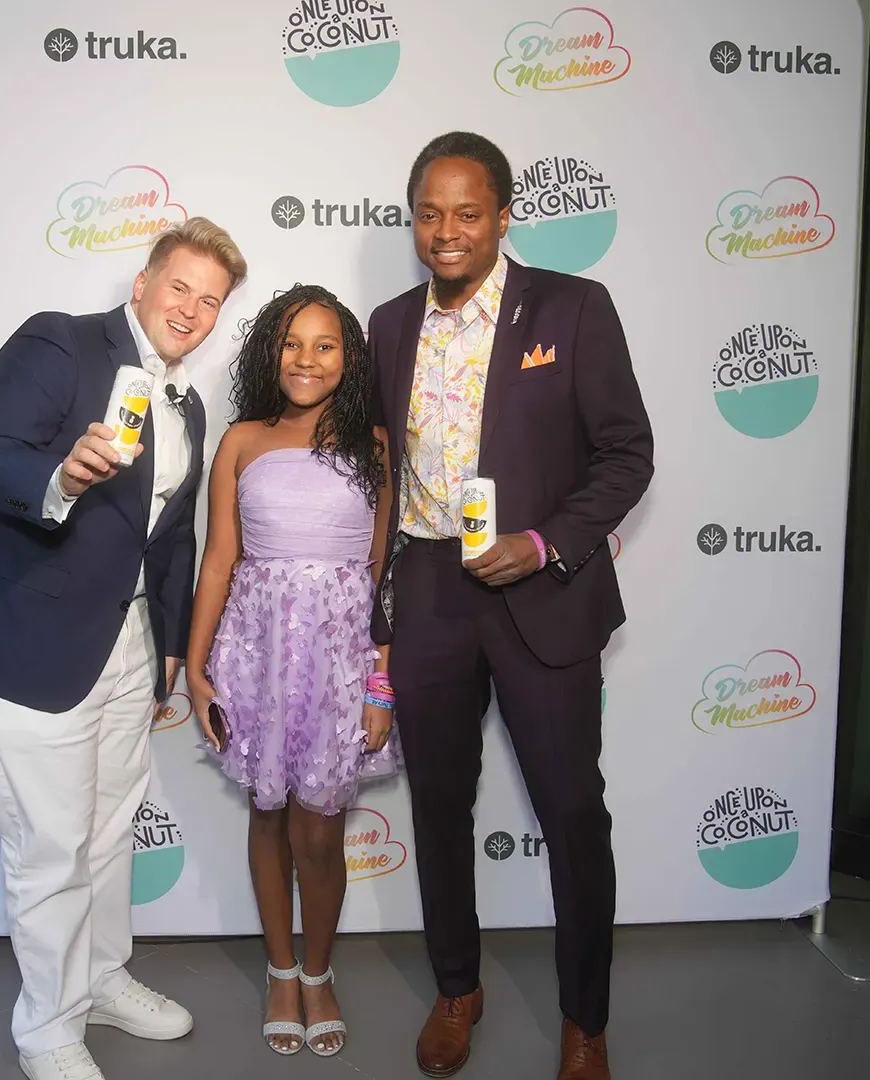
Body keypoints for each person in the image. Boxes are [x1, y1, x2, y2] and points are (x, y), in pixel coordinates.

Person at [0, 218, 248, 1080]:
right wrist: (60, 475)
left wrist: (169, 643)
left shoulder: (188, 403)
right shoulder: (58, 343)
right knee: (51, 844)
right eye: (180, 287)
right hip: (31, 639)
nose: (192, 309)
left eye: (209, 300)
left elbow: (169, 538)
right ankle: (48, 1030)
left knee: (106, 833)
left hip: (127, 645)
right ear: (141, 284)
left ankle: (100, 978)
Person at [367, 132, 654, 1080]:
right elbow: (375, 469)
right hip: (432, 591)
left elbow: (626, 453)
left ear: (503, 215)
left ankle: (586, 1023)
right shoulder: (389, 322)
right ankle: (458, 988)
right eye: (430, 214)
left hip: (541, 592)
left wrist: (544, 543)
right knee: (441, 806)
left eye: (468, 212)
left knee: (573, 811)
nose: (446, 232)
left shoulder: (573, 308)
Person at [184, 285, 399, 1058]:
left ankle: (317, 971)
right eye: (291, 344)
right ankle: (279, 971)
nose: (306, 360)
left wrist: (381, 686)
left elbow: (384, 576)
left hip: (341, 662)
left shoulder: (373, 445)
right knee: (267, 817)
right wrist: (198, 669)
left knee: (321, 829)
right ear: (269, 353)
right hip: (257, 656)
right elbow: (218, 561)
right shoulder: (241, 438)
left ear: (350, 357)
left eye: (325, 344)